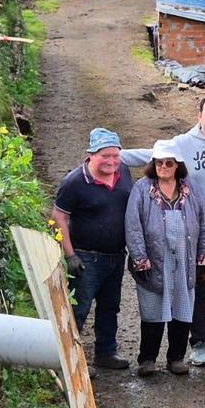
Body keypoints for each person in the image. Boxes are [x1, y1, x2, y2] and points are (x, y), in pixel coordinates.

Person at [123, 94, 205, 366]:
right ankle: (199, 344)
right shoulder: (183, 143)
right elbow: (151, 155)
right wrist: (111, 155)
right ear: (199, 116)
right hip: (202, 233)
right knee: (198, 289)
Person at [125, 140, 205, 377]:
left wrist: (203, 257)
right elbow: (133, 226)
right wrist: (140, 259)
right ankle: (147, 359)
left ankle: (176, 358)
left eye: (169, 163)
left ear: (177, 165)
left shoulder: (191, 188)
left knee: (182, 309)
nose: (163, 166)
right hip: (154, 260)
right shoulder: (142, 189)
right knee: (152, 309)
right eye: (159, 162)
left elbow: (203, 223)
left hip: (184, 259)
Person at [52, 128, 133, 370]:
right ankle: (71, 361)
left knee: (110, 307)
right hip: (87, 257)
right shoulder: (75, 182)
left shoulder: (124, 172)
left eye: (115, 156)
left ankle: (106, 353)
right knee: (79, 309)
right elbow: (58, 217)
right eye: (105, 156)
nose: (111, 161)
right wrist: (70, 255)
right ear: (91, 155)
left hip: (116, 255)